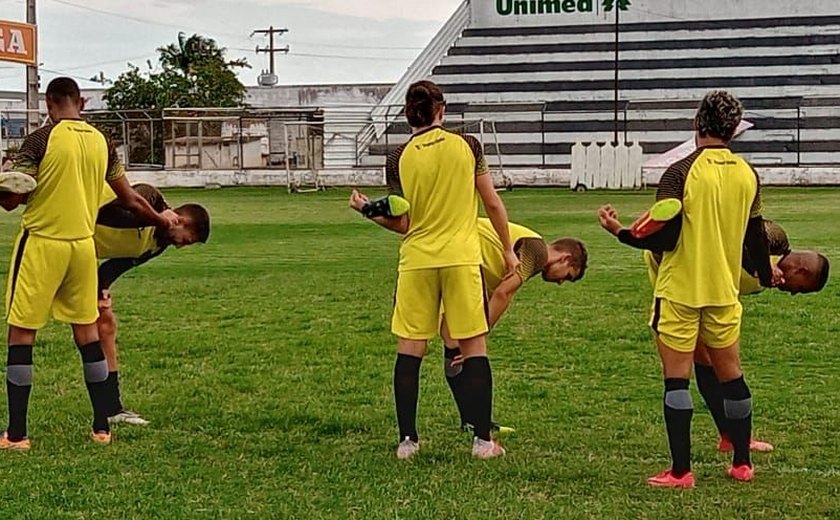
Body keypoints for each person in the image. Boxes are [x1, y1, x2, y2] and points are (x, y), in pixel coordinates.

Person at [596, 90, 781, 487]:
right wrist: (766, 276)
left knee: (676, 381)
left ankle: (681, 471)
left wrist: (620, 232)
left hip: (680, 289)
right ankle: (742, 463)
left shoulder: (678, 173)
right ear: (733, 130)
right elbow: (756, 234)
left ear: (697, 124)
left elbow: (663, 238)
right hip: (723, 292)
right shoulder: (747, 175)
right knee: (731, 375)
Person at [1, 77, 178, 450]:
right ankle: (101, 427)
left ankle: (17, 434)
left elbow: (13, 198)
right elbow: (130, 199)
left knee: (22, 334)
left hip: (43, 243)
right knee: (87, 335)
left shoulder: (40, 139)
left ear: (49, 103)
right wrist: (162, 220)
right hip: (83, 248)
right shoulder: (102, 142)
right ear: (80, 101)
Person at [350, 80, 518, 460]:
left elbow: (403, 221)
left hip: (417, 261)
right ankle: (482, 441)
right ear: (441, 109)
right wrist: (508, 249)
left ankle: (407, 441)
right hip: (460, 258)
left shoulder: (399, 156)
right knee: (474, 347)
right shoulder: (468, 145)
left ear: (409, 113)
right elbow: (491, 203)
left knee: (410, 349)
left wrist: (366, 211)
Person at [602, 215, 828, 454]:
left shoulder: (766, 282)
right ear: (802, 270)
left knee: (707, 360)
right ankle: (712, 448)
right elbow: (733, 231)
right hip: (677, 272)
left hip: (704, 290)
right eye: (800, 289)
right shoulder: (776, 239)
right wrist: (759, 263)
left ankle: (730, 436)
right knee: (694, 364)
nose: (793, 294)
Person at [442, 219, 587, 434]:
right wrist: (478, 336)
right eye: (567, 276)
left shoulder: (529, 249)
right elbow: (503, 293)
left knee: (451, 341)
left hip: (454, 253)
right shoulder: (537, 252)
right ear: (565, 258)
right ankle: (478, 422)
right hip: (461, 253)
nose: (560, 282)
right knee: (463, 346)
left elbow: (498, 291)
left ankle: (470, 420)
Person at [94, 183, 210, 426]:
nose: (180, 246)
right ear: (179, 220)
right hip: (58, 240)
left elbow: (115, 266)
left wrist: (101, 291)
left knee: (106, 325)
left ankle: (112, 408)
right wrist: (156, 217)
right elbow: (110, 213)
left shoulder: (158, 246)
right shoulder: (151, 196)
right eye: (185, 240)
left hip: (80, 256)